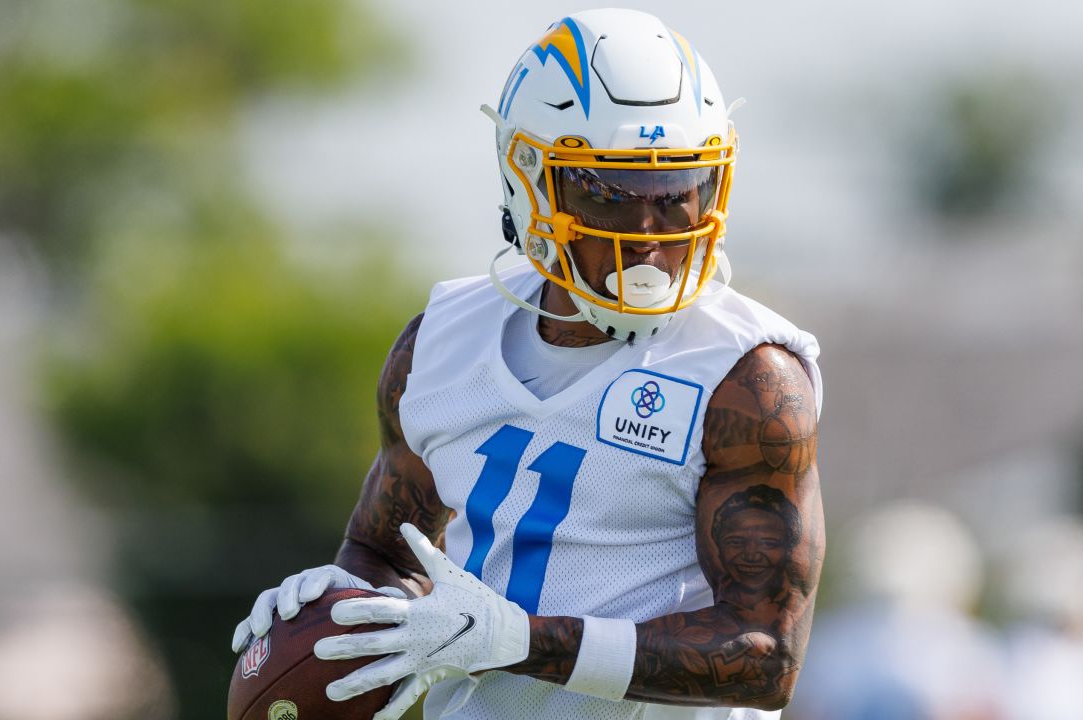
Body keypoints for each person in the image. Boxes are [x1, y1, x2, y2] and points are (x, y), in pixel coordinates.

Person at [230, 9, 824, 720]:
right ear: (529, 182)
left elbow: (762, 657)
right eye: (608, 193)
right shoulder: (442, 344)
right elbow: (384, 553)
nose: (648, 236)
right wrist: (339, 607)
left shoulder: (747, 378)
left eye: (676, 195)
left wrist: (518, 640)